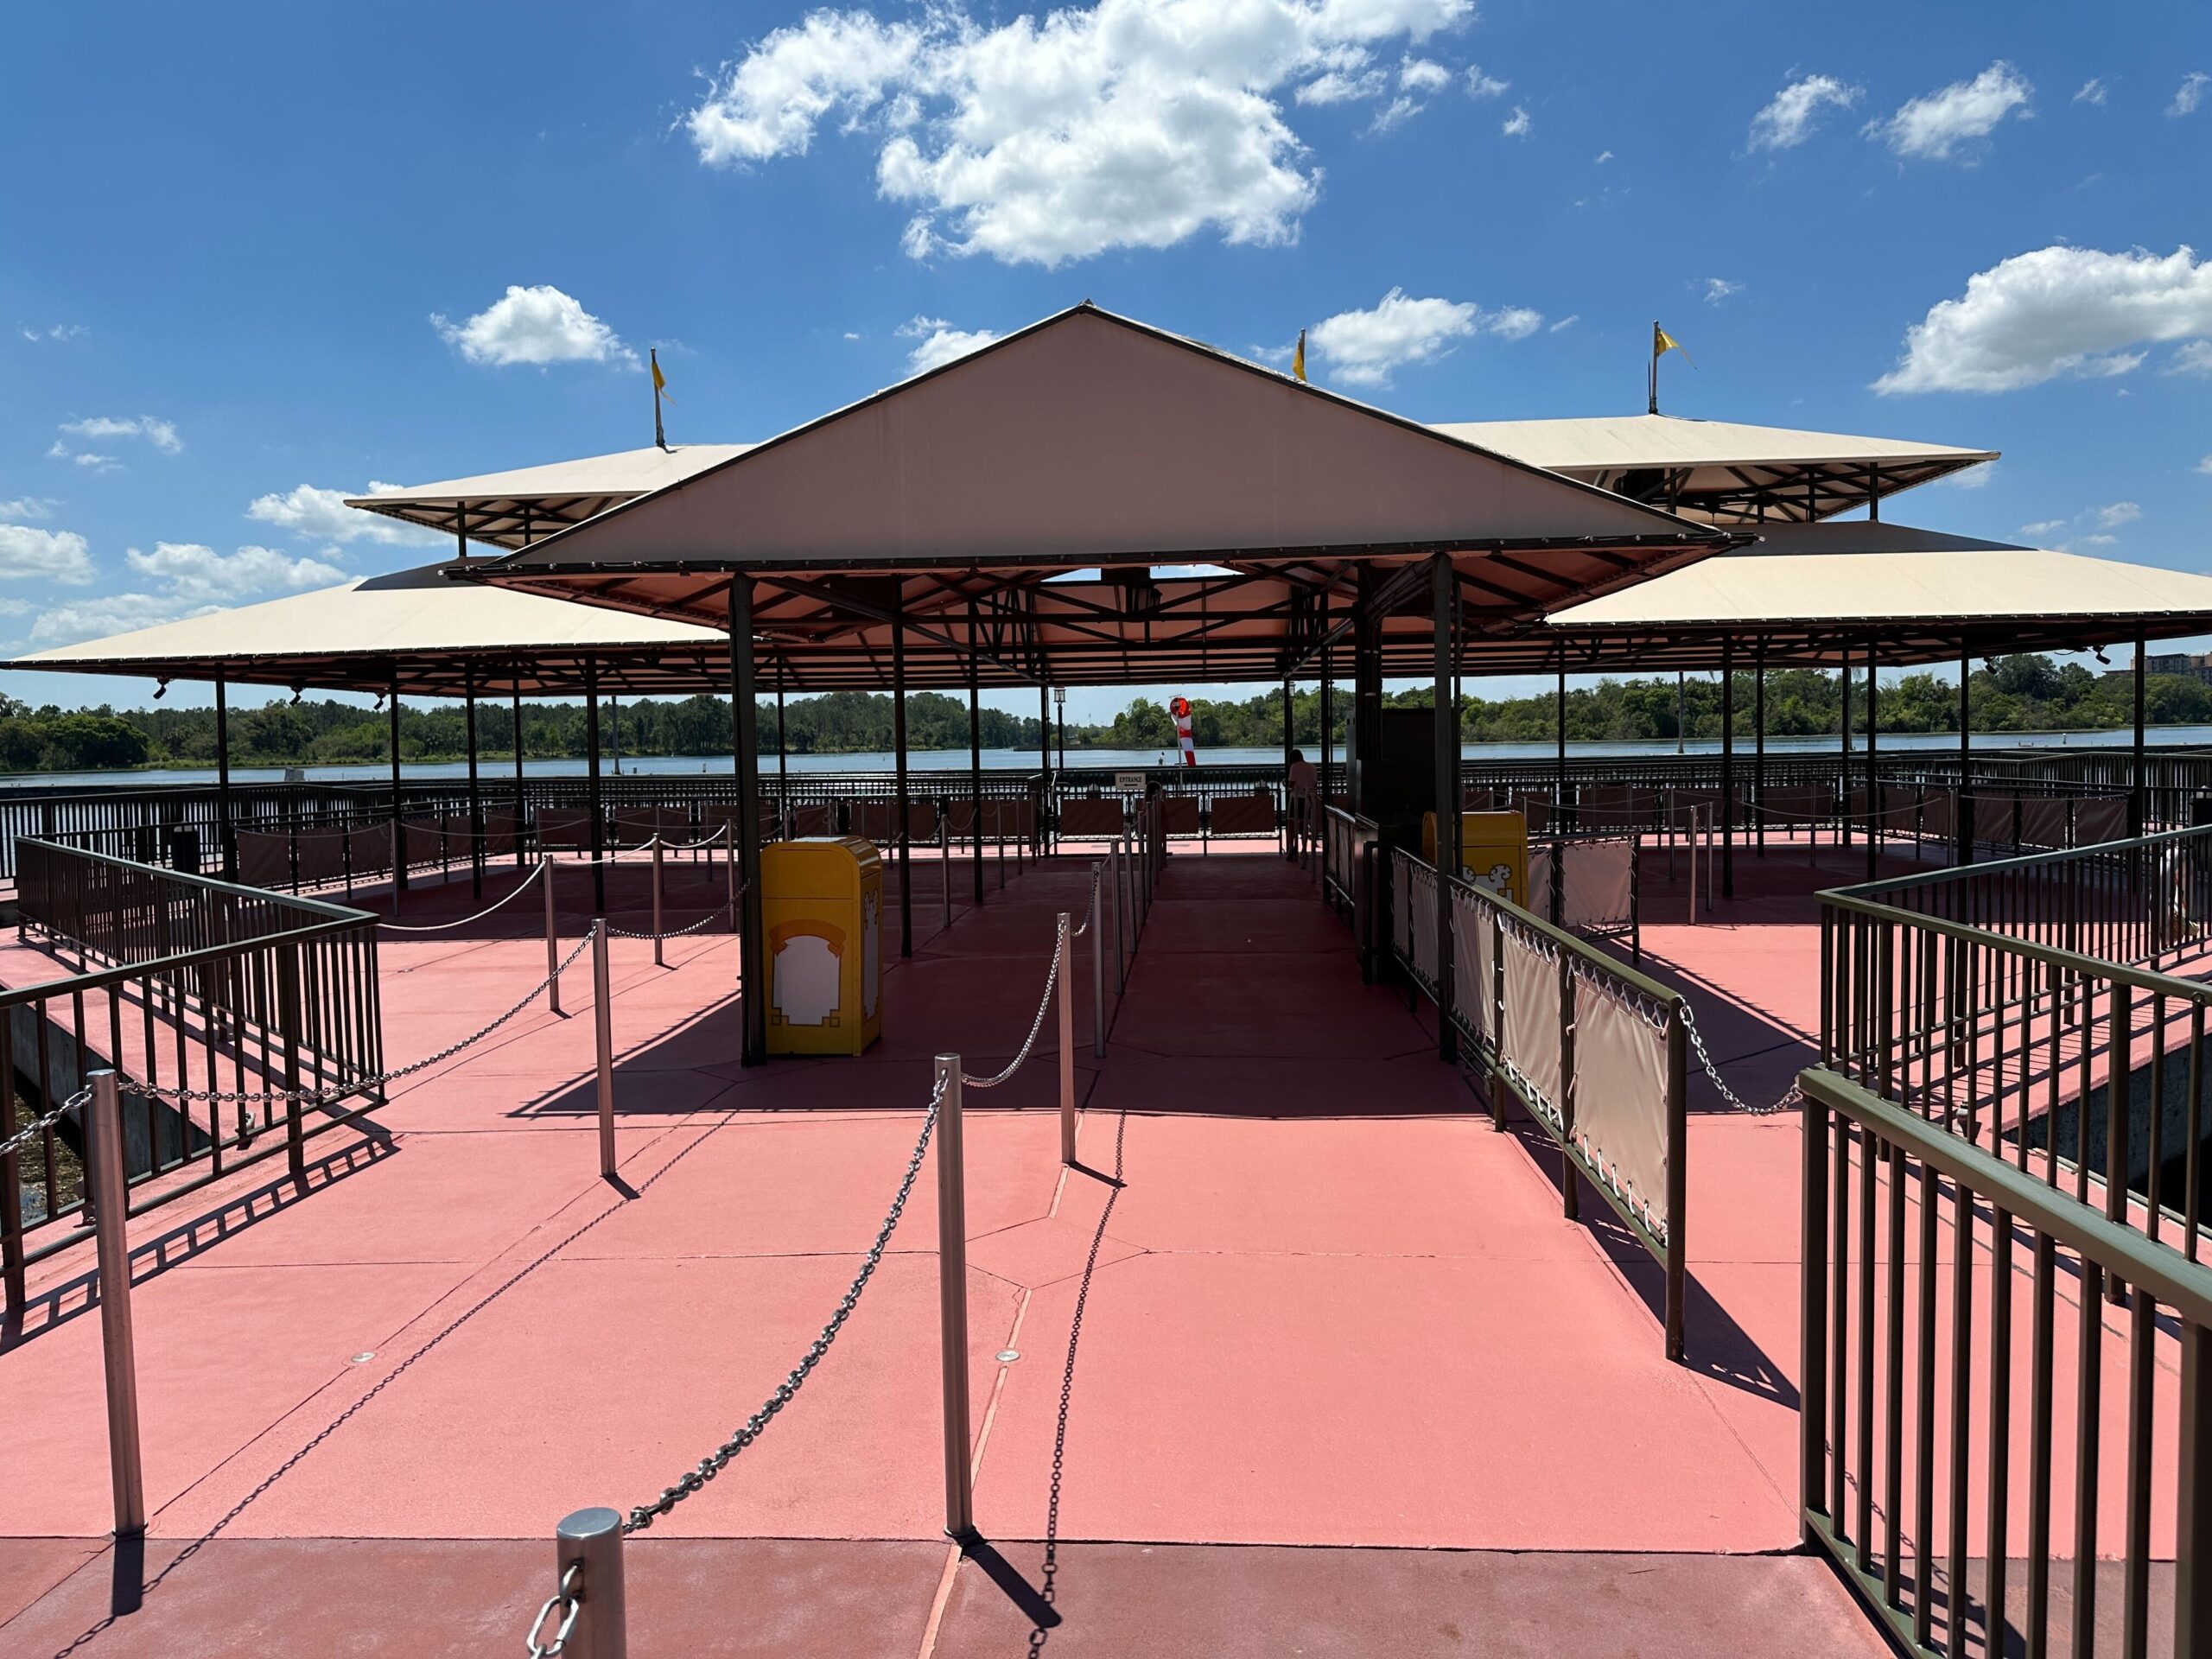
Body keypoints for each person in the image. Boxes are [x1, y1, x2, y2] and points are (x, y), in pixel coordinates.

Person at [1286, 747, 1318, 858]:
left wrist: (1285, 783)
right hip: (1308, 798)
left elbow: (1291, 783)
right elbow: (1314, 784)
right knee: (1305, 824)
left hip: (1296, 798)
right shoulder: (1312, 767)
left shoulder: (1294, 767)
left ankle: (1291, 847)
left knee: (1291, 823)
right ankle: (1304, 849)